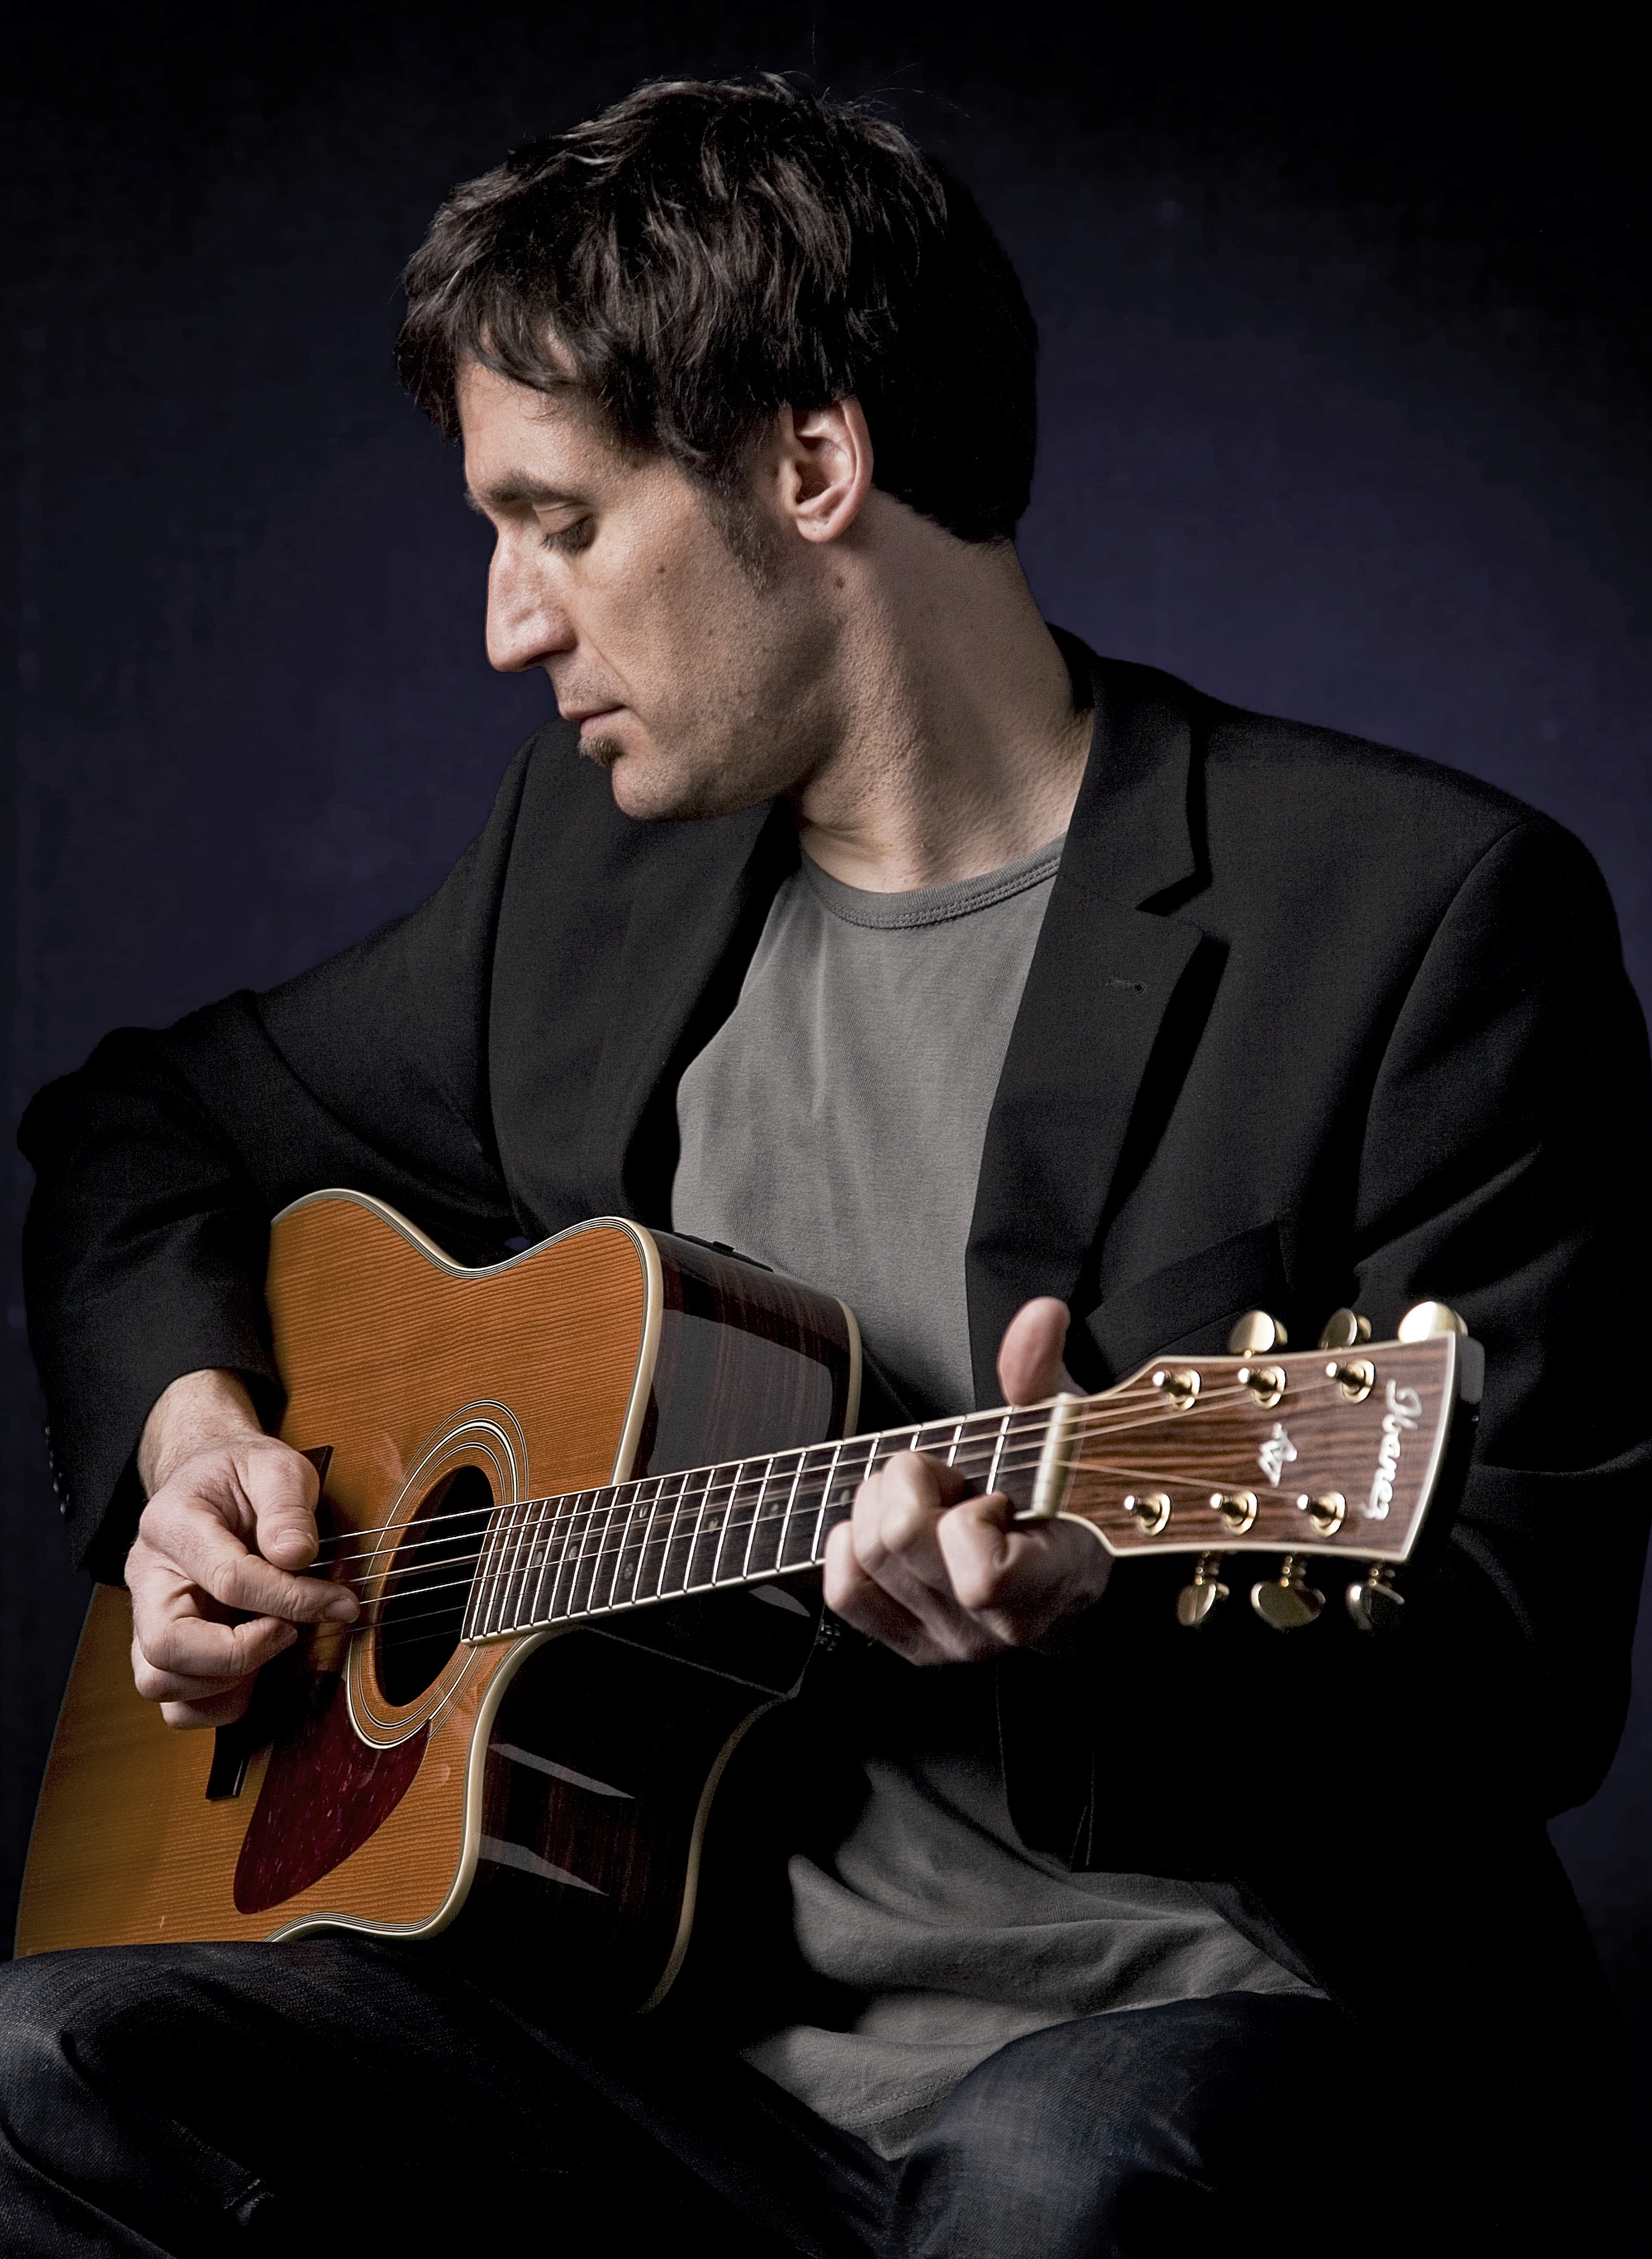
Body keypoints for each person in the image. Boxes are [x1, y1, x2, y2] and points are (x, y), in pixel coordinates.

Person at [2, 74, 1648, 2259]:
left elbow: (1526, 1664)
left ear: (810, 464)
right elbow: (148, 1124)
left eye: (560, 524)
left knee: (1057, 2186)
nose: (508, 625)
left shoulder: (1416, 916)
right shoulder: (588, 880)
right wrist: (194, 1437)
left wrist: (1094, 1631)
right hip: (648, 2038)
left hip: (1190, 2045)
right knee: (44, 2068)